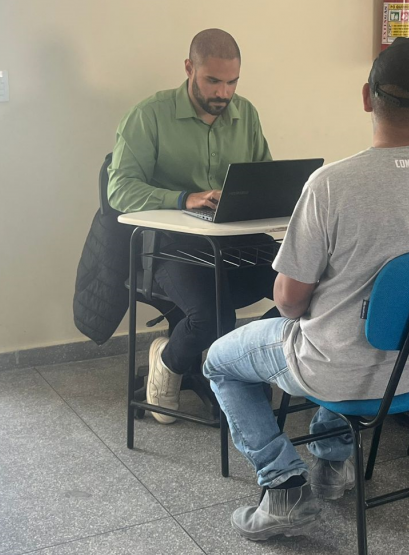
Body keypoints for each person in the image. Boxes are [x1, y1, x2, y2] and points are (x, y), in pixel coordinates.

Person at [201, 38, 409, 541]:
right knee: (344, 323)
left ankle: (283, 483)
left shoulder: (331, 185)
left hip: (336, 370)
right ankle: (333, 466)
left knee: (220, 361)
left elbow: (288, 301)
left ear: (365, 96)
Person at [107, 29, 276, 424]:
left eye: (232, 82)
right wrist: (185, 198)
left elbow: (266, 179)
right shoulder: (149, 115)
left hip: (235, 242)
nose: (223, 93)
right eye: (212, 81)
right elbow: (120, 189)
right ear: (189, 69)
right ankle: (170, 361)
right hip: (168, 247)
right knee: (214, 319)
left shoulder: (245, 113)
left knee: (306, 291)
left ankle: (238, 367)